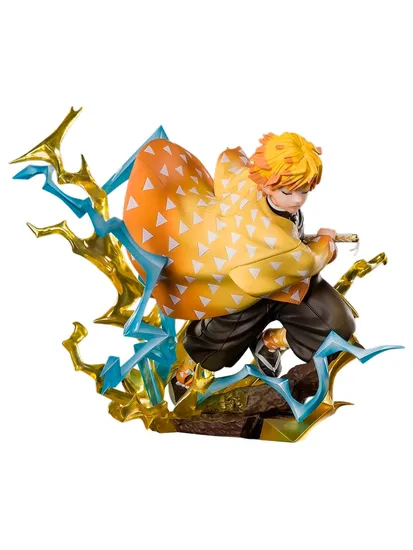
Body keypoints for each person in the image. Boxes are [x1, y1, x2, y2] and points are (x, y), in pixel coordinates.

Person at [122, 132, 355, 402]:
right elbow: (304, 261)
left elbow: (230, 164)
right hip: (241, 294)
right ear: (266, 185)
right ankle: (187, 371)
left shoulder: (251, 181)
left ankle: (270, 342)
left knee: (336, 327)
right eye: (288, 192)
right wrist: (325, 244)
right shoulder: (263, 229)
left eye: (304, 191)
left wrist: (309, 246)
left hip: (290, 286)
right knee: (214, 351)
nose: (297, 200)